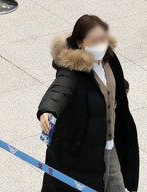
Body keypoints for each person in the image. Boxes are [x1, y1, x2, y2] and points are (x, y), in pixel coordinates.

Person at [38, 15, 139, 192]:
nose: (101, 44)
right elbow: (59, 90)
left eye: (102, 38)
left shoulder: (109, 59)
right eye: (94, 41)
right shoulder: (73, 71)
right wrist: (48, 110)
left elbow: (114, 79)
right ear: (80, 43)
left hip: (109, 146)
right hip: (82, 153)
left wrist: (121, 89)